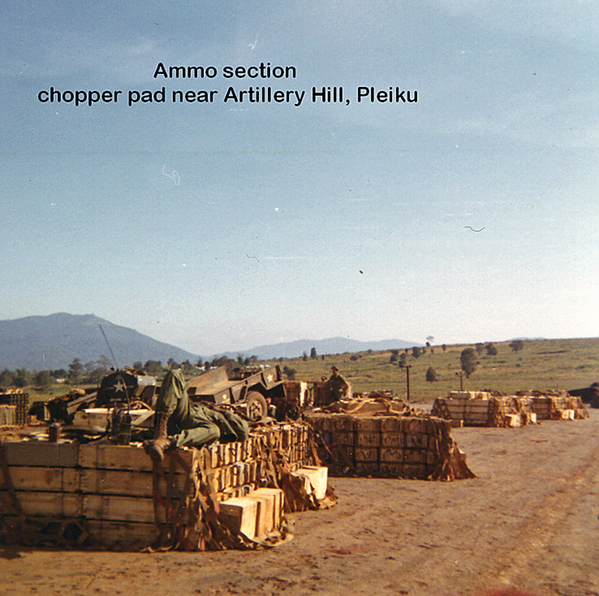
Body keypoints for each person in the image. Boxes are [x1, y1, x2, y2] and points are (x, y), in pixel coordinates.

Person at [144, 368, 249, 463]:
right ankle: (160, 432)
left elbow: (242, 431)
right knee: (175, 374)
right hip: (184, 414)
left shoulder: (221, 420)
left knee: (215, 431)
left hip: (190, 426)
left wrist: (222, 411)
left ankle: (166, 442)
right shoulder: (210, 412)